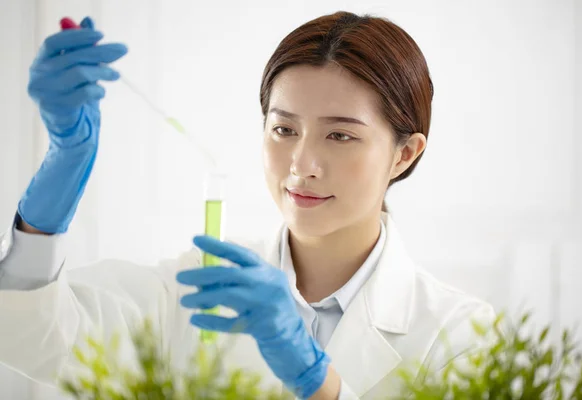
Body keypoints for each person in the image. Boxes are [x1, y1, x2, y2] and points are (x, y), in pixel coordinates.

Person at [0, 11, 495, 400]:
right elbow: (37, 336)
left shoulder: (457, 334)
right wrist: (64, 167)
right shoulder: (199, 286)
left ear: (404, 154)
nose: (302, 164)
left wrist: (315, 380)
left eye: (340, 135)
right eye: (284, 129)